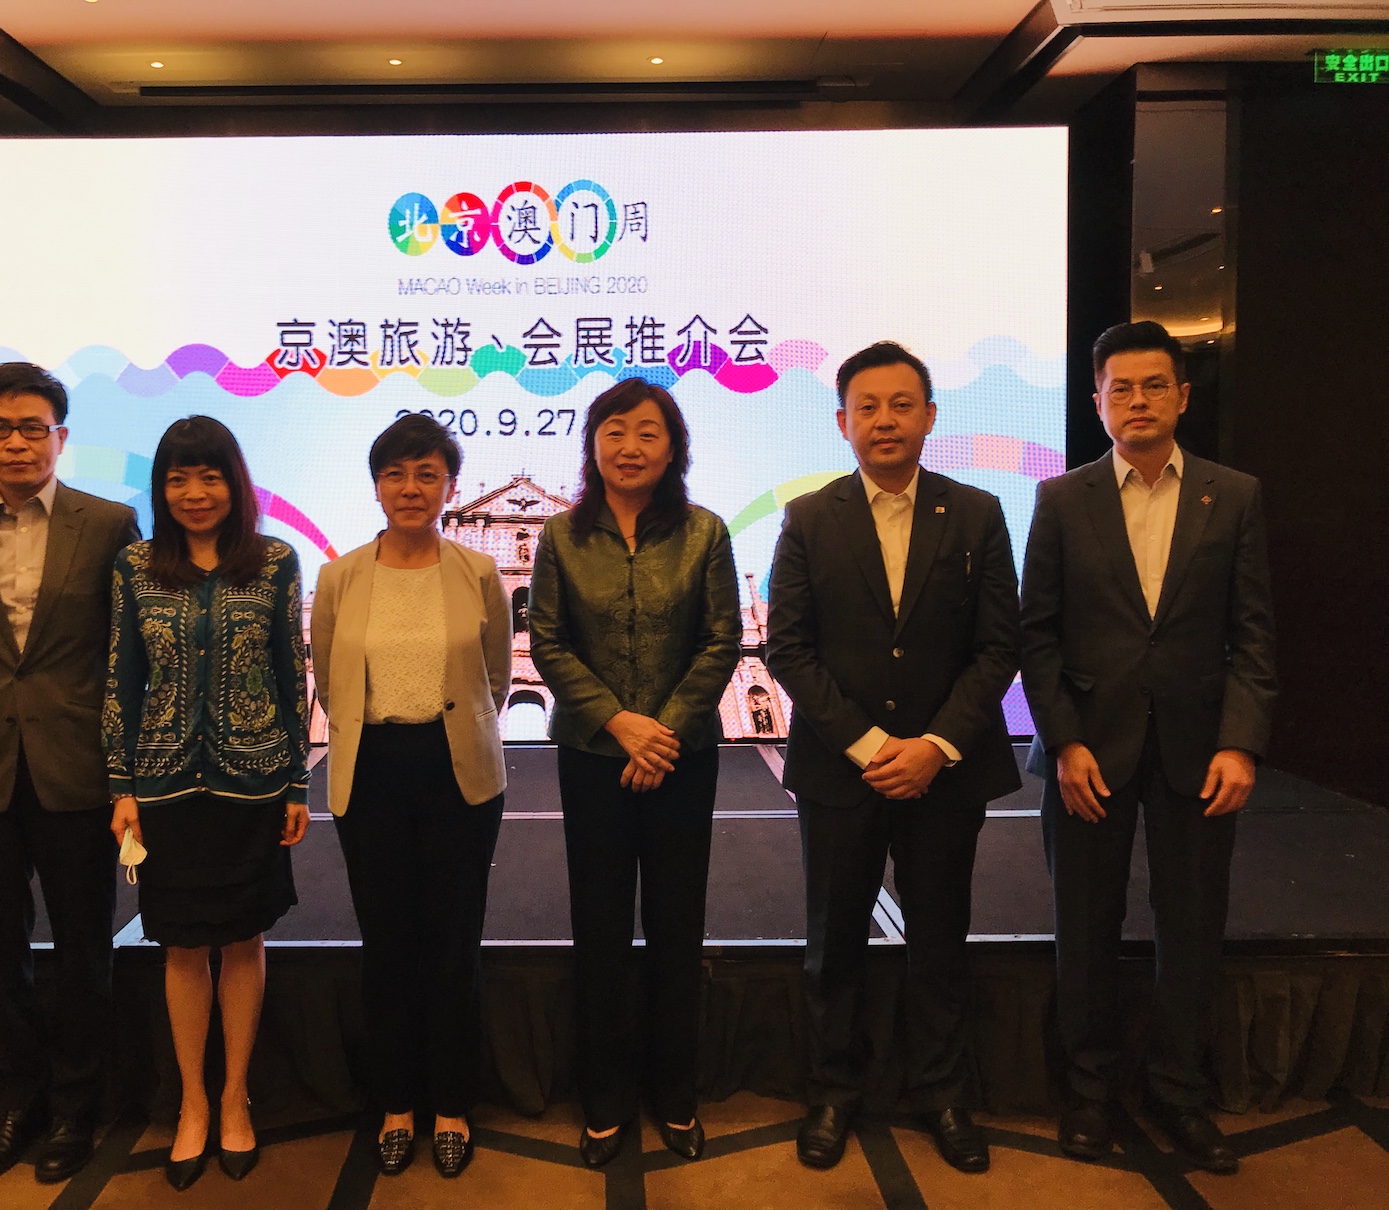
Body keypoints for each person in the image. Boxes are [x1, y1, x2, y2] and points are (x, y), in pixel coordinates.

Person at [1021, 321, 1277, 1174]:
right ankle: (1087, 1093)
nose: (1137, 402)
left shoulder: (1231, 496)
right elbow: (1036, 636)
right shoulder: (1061, 500)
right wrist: (1062, 741)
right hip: (1086, 756)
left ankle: (1179, 1092)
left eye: (1153, 385)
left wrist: (1240, 744)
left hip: (1199, 755)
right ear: (1096, 402)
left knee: (1192, 929)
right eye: (1120, 388)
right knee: (1083, 927)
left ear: (1182, 396)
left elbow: (1253, 635)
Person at [765, 341, 1021, 1175]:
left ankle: (941, 1093)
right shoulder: (809, 519)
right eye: (867, 407)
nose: (885, 420)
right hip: (841, 771)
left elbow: (997, 646)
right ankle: (831, 1092)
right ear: (841, 422)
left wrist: (935, 746)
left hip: (945, 772)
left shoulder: (976, 513)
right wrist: (872, 745)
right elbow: (788, 649)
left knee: (940, 937)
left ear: (930, 416)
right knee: (833, 939)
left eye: (901, 404)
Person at [0, 362, 140, 1185]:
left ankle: (76, 1106)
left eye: (33, 427)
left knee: (83, 947)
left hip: (76, 766)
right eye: (1, 428)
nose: (17, 442)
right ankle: (17, 1104)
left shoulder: (108, 524)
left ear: (60, 437)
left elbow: (126, 649)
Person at [528, 379, 741, 1167]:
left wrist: (663, 732)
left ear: (672, 447)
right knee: (600, 928)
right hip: (592, 757)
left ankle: (675, 1095)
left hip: (682, 759)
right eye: (613, 431)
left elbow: (721, 641)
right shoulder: (560, 535)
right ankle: (606, 1099)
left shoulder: (704, 532)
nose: (629, 447)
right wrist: (619, 724)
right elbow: (547, 643)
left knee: (678, 927)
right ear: (592, 445)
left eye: (647, 432)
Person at [103, 416, 310, 1190]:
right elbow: (121, 679)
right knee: (182, 948)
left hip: (251, 783)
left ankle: (234, 1098)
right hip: (164, 787)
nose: (194, 493)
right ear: (161, 489)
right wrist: (121, 787)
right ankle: (192, 1101)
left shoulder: (274, 562)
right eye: (177, 478)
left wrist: (296, 784)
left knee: (245, 940)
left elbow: (292, 677)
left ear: (235, 483)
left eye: (210, 476)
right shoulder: (135, 566)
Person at [309, 413, 512, 1179]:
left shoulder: (477, 572)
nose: (410, 488)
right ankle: (396, 1103)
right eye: (395, 473)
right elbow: (328, 674)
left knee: (454, 943)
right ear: (376, 486)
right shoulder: (339, 577)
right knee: (386, 944)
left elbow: (494, 677)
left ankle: (452, 1104)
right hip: (371, 771)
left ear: (449, 487)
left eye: (427, 474)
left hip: (457, 769)